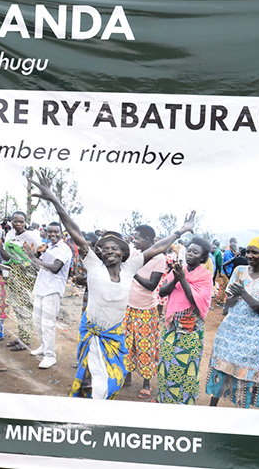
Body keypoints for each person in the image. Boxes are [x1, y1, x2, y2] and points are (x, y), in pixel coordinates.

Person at [28, 169, 194, 400]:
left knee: (110, 382)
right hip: (93, 333)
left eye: (115, 248)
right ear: (99, 253)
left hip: (114, 336)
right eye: (105, 248)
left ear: (124, 253)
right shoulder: (94, 265)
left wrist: (180, 231)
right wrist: (55, 199)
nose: (109, 250)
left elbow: (157, 248)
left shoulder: (130, 267)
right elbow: (74, 229)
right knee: (93, 380)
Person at [205, 237, 259, 408]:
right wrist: (232, 297)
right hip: (229, 332)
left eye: (255, 252)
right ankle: (212, 409)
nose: (250, 255)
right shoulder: (239, 271)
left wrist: (243, 294)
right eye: (248, 251)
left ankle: (242, 415)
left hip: (252, 337)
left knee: (246, 375)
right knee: (221, 369)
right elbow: (228, 304)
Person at [154, 238, 213, 405]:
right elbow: (163, 292)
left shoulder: (205, 276)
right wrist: (176, 278)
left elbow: (195, 300)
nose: (190, 254)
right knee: (166, 362)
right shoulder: (178, 271)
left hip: (191, 329)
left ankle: (183, 402)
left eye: (195, 252)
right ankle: (165, 399)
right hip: (171, 326)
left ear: (202, 258)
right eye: (189, 251)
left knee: (186, 365)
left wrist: (183, 279)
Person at [122, 225, 166, 400]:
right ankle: (127, 377)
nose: (135, 240)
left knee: (144, 346)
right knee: (126, 344)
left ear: (148, 240)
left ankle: (147, 383)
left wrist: (134, 273)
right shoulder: (134, 254)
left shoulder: (159, 258)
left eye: (138, 238)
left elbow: (151, 285)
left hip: (146, 310)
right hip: (129, 307)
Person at [22, 222, 72, 369]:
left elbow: (56, 268)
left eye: (56, 232)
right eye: (50, 232)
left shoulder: (64, 249)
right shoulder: (47, 246)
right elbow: (39, 265)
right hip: (41, 287)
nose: (53, 234)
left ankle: (50, 356)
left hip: (53, 289)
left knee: (48, 323)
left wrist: (34, 257)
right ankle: (44, 346)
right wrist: (35, 255)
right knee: (37, 320)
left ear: (62, 233)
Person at [0, 211, 41, 351]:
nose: (18, 224)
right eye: (15, 221)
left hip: (27, 276)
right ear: (11, 222)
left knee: (25, 307)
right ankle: (21, 337)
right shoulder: (10, 235)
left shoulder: (31, 237)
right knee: (17, 307)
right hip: (13, 274)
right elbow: (6, 257)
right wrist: (0, 245)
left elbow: (39, 255)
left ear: (25, 223)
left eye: (21, 221)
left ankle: (26, 340)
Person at [215, 238, 238, 308]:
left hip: (227, 272)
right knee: (224, 287)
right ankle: (220, 301)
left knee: (224, 286)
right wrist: (235, 256)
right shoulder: (228, 253)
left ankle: (220, 300)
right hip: (226, 272)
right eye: (235, 247)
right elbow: (229, 263)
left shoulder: (230, 252)